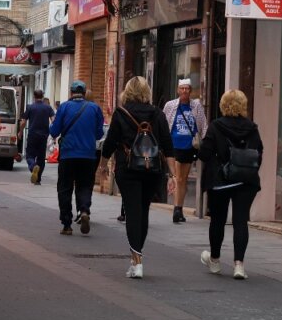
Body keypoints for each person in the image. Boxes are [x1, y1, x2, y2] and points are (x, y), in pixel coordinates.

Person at [100, 76, 175, 278]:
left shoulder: (121, 113)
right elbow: (167, 144)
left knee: (132, 211)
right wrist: (173, 174)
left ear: (127, 92)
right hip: (153, 170)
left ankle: (137, 261)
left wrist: (102, 166)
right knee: (143, 211)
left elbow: (110, 142)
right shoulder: (157, 114)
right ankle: (137, 256)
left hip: (128, 168)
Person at [198, 89, 265, 280]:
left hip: (221, 181)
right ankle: (239, 265)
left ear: (223, 105)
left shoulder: (216, 126)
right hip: (246, 181)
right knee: (240, 221)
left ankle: (215, 261)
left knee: (218, 220)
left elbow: (204, 153)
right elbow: (258, 153)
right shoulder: (252, 128)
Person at [49, 80, 104, 235]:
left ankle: (66, 224)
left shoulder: (64, 107)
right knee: (85, 186)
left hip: (68, 155)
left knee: (65, 188)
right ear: (85, 92)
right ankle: (84, 210)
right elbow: (100, 134)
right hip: (88, 155)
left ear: (71, 92)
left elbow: (54, 132)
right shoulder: (94, 108)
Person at [162, 78, 207, 224]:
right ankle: (176, 209)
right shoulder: (170, 105)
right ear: (178, 90)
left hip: (189, 145)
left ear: (191, 91)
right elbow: (163, 123)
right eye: (182, 88)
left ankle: (179, 208)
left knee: (183, 178)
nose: (184, 91)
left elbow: (203, 125)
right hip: (174, 145)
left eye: (187, 88)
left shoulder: (196, 106)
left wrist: (204, 140)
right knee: (177, 177)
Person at [20, 89, 55, 184]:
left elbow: (23, 122)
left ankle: (32, 166)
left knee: (30, 155)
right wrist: (54, 133)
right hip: (43, 136)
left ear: (34, 96)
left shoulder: (30, 107)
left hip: (32, 135)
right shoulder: (48, 108)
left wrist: (20, 132)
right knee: (41, 158)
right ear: (42, 96)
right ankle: (38, 179)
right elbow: (53, 120)